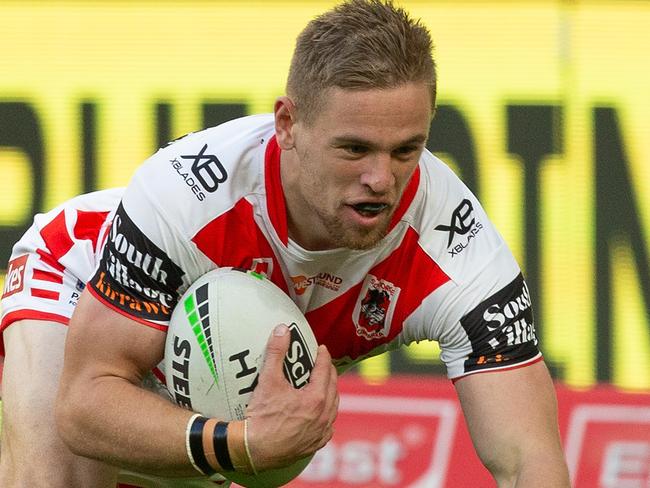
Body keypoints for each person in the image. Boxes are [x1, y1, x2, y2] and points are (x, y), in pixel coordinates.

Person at [0, 1, 571, 486]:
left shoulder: (460, 248)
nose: (382, 179)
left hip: (214, 366)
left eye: (406, 150)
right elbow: (85, 404)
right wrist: (240, 445)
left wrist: (240, 445)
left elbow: (528, 458)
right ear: (287, 125)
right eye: (353, 149)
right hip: (79, 274)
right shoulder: (189, 195)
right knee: (59, 471)